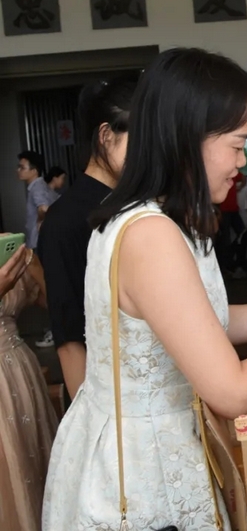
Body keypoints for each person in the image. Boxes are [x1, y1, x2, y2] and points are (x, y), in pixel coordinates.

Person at [42, 48, 247, 530]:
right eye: (237, 144)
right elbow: (231, 390)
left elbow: (209, 321)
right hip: (141, 473)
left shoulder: (151, 218)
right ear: (186, 140)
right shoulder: (151, 235)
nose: (241, 163)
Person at [39, 77, 138, 401]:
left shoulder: (137, 203)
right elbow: (69, 338)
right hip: (105, 394)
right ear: (106, 135)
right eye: (141, 141)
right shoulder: (64, 220)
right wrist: (91, 418)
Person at [0, 241, 58, 531]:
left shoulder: (6, 250)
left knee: (34, 474)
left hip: (21, 375)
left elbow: (57, 306)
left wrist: (35, 268)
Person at [16, 150, 50, 251]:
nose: (18, 170)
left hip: (37, 242)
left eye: (22, 168)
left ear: (34, 171)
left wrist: (40, 220)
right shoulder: (39, 185)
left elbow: (44, 208)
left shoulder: (37, 188)